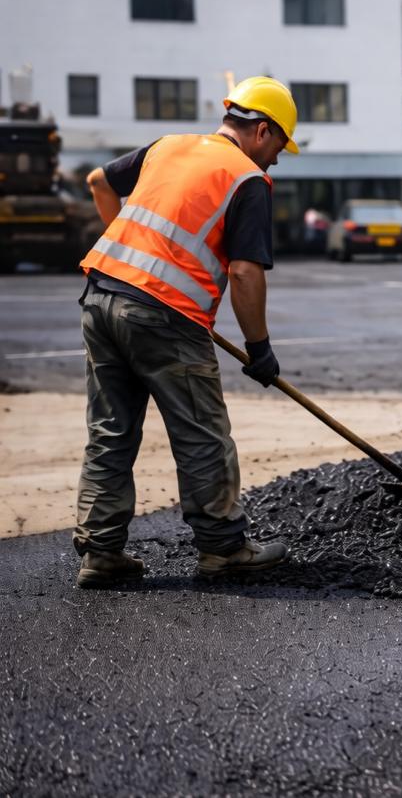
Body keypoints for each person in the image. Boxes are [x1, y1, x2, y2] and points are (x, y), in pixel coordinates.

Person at [73, 76, 299, 588]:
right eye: (280, 145)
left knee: (110, 432)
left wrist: (128, 259)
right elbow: (244, 272)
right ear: (261, 130)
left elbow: (97, 182)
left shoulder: (168, 146)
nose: (278, 160)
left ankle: (100, 552)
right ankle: (223, 549)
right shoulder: (246, 179)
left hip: (102, 297)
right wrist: (260, 348)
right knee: (202, 433)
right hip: (164, 317)